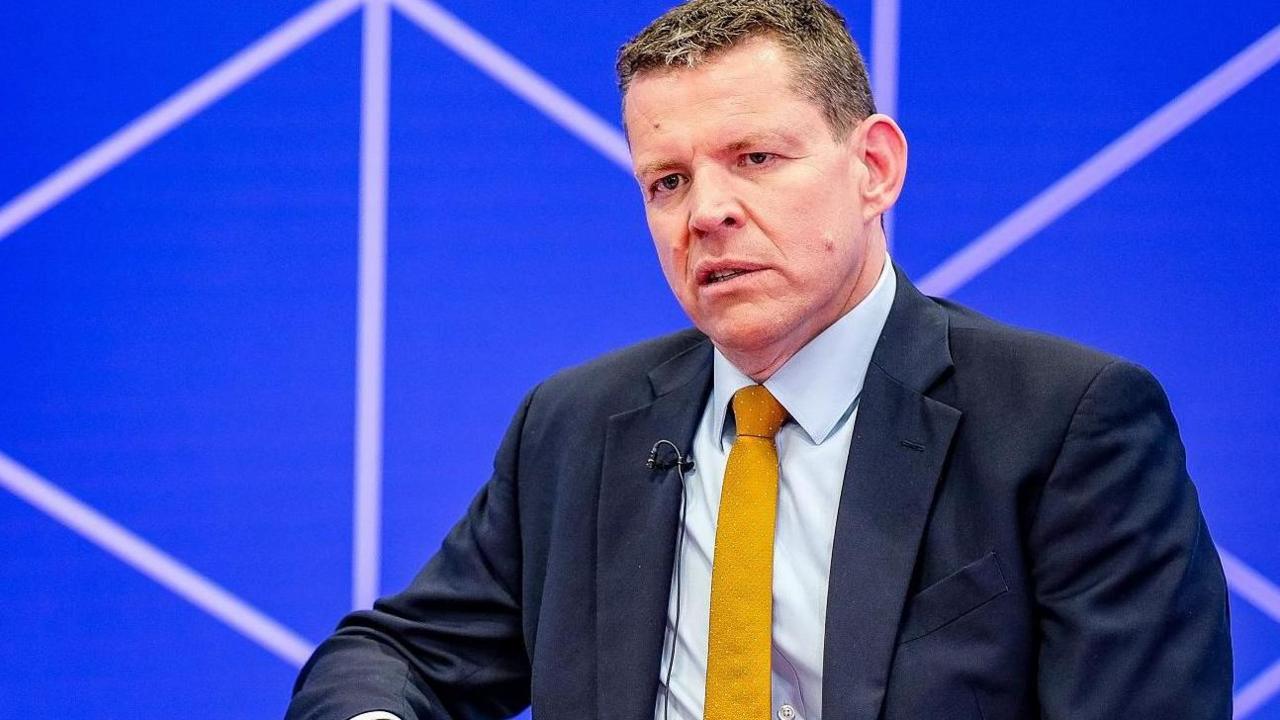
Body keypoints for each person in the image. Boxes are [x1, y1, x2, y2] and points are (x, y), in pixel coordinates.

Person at [286, 0, 1232, 718]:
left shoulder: (1066, 421)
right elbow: (395, 653)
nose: (706, 213)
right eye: (668, 180)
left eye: (756, 159)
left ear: (875, 169)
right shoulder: (575, 425)